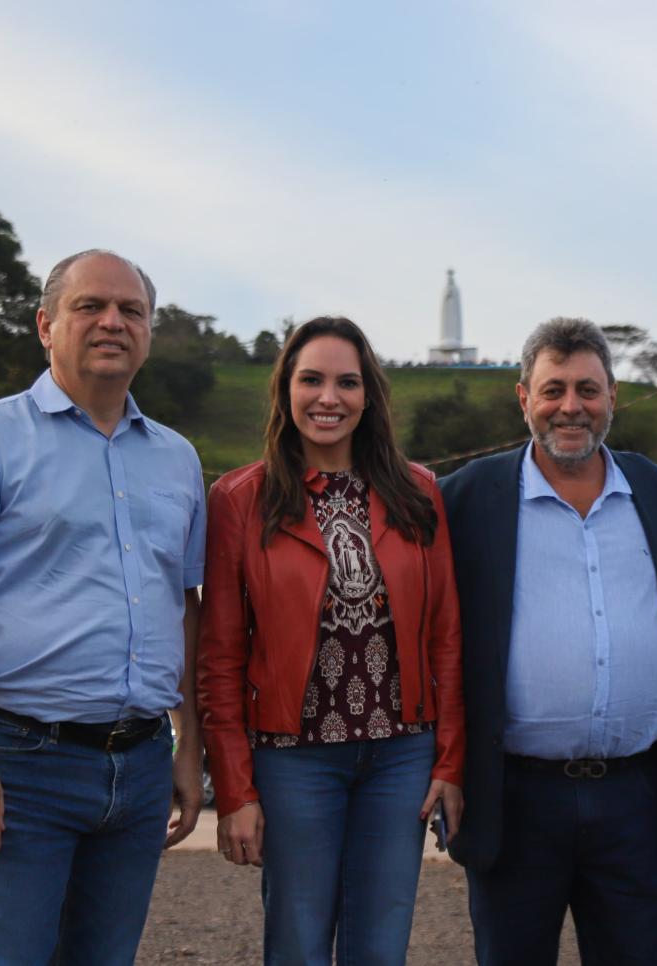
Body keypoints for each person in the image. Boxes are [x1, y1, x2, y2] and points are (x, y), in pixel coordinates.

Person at [0, 249, 206, 965]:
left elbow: (183, 607)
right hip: (22, 763)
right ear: (45, 324)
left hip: (141, 767)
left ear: (150, 332)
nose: (112, 322)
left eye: (131, 311)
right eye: (90, 306)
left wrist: (192, 747)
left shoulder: (177, 459)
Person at [197, 317, 464, 965]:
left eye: (347, 382)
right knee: (298, 942)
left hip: (400, 757)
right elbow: (220, 657)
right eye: (311, 379)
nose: (328, 397)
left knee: (381, 943)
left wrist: (450, 764)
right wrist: (234, 789)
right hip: (294, 760)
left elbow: (447, 638)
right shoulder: (240, 500)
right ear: (285, 390)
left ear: (368, 395)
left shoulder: (418, 491)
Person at [439, 317, 657, 966]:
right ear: (523, 397)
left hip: (634, 799)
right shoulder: (468, 498)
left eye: (587, 389)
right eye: (553, 389)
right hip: (516, 797)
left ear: (612, 394)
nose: (571, 407)